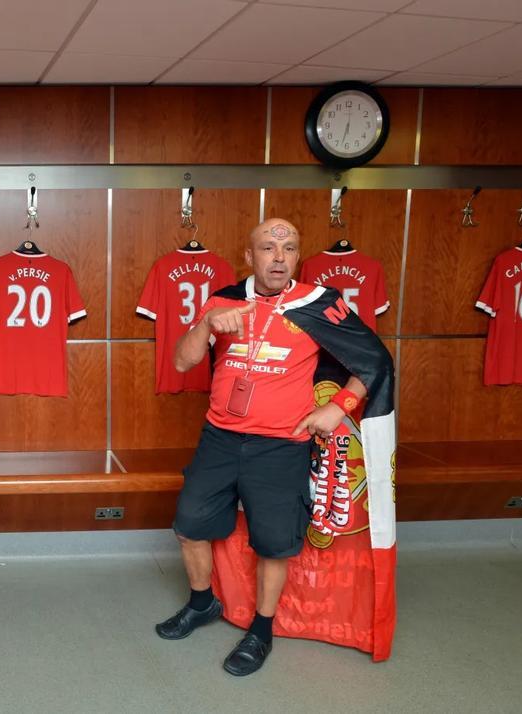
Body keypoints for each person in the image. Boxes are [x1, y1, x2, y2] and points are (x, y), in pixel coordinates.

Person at [155, 217, 394, 676]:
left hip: (281, 445)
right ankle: (202, 603)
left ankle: (261, 631)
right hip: (219, 438)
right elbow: (183, 361)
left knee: (273, 545)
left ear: (298, 256)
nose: (279, 257)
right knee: (189, 525)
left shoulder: (319, 303)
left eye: (289, 248)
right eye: (268, 248)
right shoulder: (223, 299)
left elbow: (376, 361)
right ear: (250, 256)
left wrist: (338, 408)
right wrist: (206, 323)